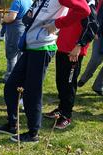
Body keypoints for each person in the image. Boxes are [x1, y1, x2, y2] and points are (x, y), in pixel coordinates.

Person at [0, 0, 90, 143]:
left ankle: (33, 133)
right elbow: (30, 16)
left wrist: (57, 24)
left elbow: (84, 10)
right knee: (11, 86)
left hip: (43, 48)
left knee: (32, 92)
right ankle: (12, 124)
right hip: (30, 45)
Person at [45, 0, 97, 129]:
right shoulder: (74, 2)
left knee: (69, 84)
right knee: (61, 81)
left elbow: (92, 26)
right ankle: (61, 109)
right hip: (63, 48)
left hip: (73, 52)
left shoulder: (88, 3)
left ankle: (66, 115)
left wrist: (79, 46)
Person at [2, 0, 32, 82]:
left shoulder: (17, 1)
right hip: (24, 29)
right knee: (20, 53)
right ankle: (19, 75)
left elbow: (11, 17)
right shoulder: (30, 1)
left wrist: (4, 18)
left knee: (11, 53)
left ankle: (10, 76)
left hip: (15, 30)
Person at [78, 0, 103, 96]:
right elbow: (99, 15)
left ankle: (98, 86)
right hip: (100, 34)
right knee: (96, 59)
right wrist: (97, 31)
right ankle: (84, 79)